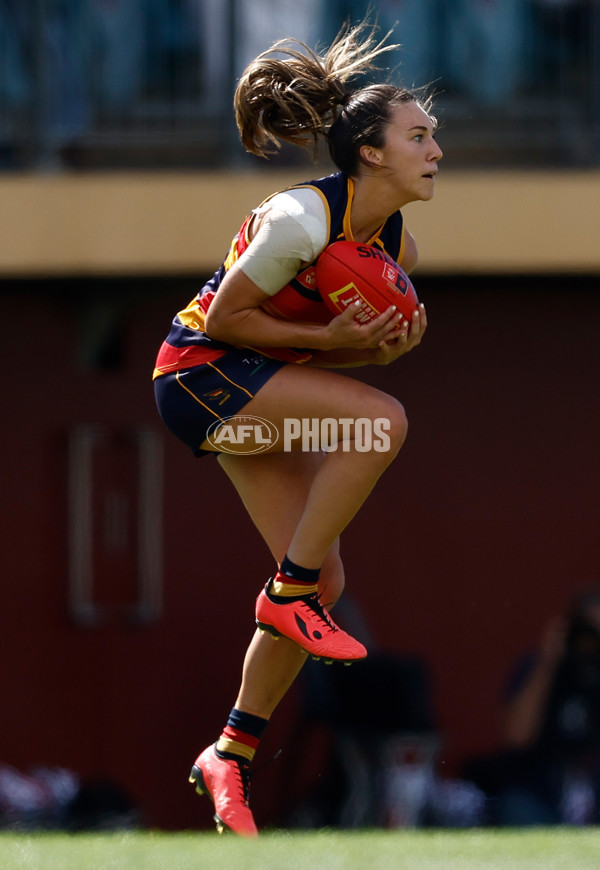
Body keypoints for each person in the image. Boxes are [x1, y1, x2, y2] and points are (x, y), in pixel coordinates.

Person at [153, 21, 442, 836]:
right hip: (196, 379)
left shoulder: (393, 242)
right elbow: (226, 319)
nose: (435, 149)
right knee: (381, 428)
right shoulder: (299, 219)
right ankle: (286, 597)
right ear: (372, 154)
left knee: (330, 582)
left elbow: (319, 363)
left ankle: (229, 755)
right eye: (418, 135)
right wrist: (337, 347)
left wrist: (372, 352)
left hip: (238, 389)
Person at [466, 587, 600, 825]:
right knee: (515, 808)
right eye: (588, 632)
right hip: (538, 795)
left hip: (593, 793)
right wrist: (548, 663)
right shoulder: (537, 667)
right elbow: (516, 737)